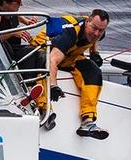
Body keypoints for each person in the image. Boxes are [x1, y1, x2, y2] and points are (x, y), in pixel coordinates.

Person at [39, 10, 111, 139]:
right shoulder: (70, 32)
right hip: (43, 52)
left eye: (101, 30)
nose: (96, 33)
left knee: (93, 71)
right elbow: (52, 59)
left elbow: (93, 38)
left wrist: (95, 53)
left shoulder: (97, 31)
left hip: (68, 56)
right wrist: (53, 86)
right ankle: (44, 109)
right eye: (94, 28)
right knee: (42, 67)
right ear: (88, 21)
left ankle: (87, 121)